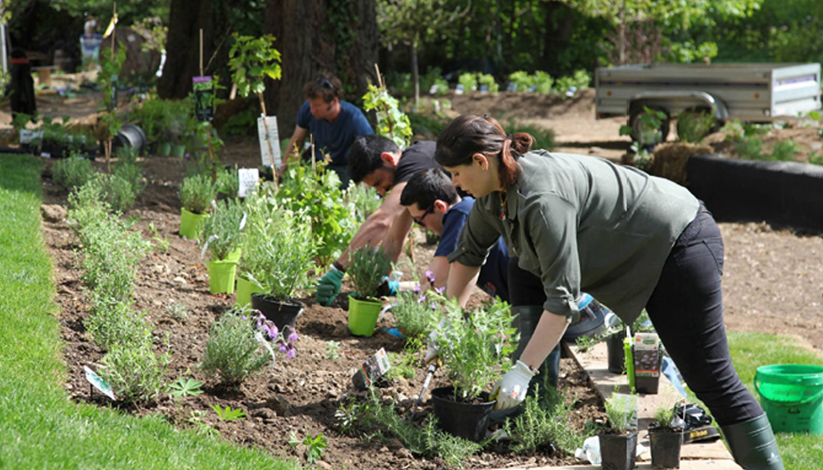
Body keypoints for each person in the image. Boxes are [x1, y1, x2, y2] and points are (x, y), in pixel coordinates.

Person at [432, 114, 783, 470]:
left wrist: (522, 371)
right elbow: (469, 256)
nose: (455, 183)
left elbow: (561, 303)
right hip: (643, 243)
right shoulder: (495, 194)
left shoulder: (541, 199)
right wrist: (445, 323)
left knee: (711, 379)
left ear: (481, 161)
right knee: (523, 268)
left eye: (456, 173)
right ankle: (535, 412)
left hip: (677, 244)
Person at [402, 168, 607, 390]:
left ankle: (535, 403)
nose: (421, 228)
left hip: (575, 319)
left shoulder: (461, 213)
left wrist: (408, 306)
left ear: (439, 207)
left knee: (527, 379)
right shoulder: (472, 211)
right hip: (578, 316)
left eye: (419, 220)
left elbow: (436, 280)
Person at [315, 135, 439, 306]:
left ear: (388, 159)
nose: (381, 192)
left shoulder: (415, 162)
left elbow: (382, 220)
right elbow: (395, 238)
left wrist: (338, 268)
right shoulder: (411, 178)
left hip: (478, 220)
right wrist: (375, 286)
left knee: (439, 286)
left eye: (379, 182)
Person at [279, 75, 373, 188]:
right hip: (318, 165)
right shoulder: (307, 110)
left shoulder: (355, 118)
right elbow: (296, 142)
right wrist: (282, 172)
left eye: (317, 106)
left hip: (344, 167)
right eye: (310, 104)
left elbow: (370, 156)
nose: (312, 110)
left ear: (334, 102)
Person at [10, 49, 36, 121]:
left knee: (15, 98)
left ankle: (16, 118)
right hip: (26, 82)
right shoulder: (26, 65)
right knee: (29, 96)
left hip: (15, 86)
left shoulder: (13, 66)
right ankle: (32, 115)